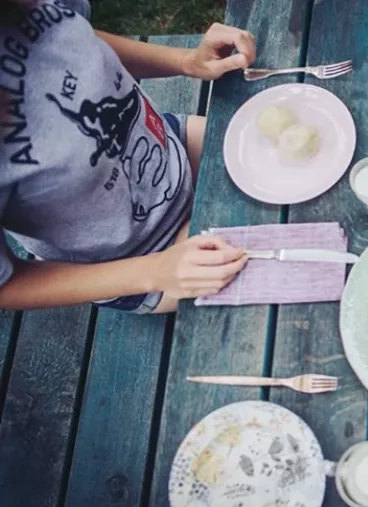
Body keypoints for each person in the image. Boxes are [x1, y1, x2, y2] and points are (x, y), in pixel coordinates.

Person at [0, 0, 253, 313]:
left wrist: (186, 61)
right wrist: (157, 271)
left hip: (172, 147)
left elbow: (74, 35)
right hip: (146, 257)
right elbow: (5, 286)